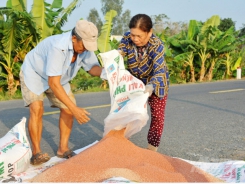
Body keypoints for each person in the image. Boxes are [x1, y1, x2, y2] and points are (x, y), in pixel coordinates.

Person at [19, 20, 105, 165]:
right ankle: (36, 153)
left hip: (59, 78)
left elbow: (92, 69)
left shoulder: (84, 49)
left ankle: (62, 149)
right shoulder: (58, 47)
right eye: (83, 45)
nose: (85, 49)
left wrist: (109, 73)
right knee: (37, 108)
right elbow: (53, 83)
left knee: (68, 110)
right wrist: (75, 108)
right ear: (73, 38)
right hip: (35, 73)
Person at [118, 14, 169, 152]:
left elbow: (159, 70)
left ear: (149, 32)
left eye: (139, 36)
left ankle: (151, 150)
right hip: (135, 83)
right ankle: (119, 143)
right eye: (133, 35)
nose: (135, 39)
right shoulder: (127, 38)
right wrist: (115, 58)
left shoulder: (157, 46)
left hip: (156, 83)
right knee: (127, 111)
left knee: (157, 117)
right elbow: (120, 53)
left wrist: (151, 85)